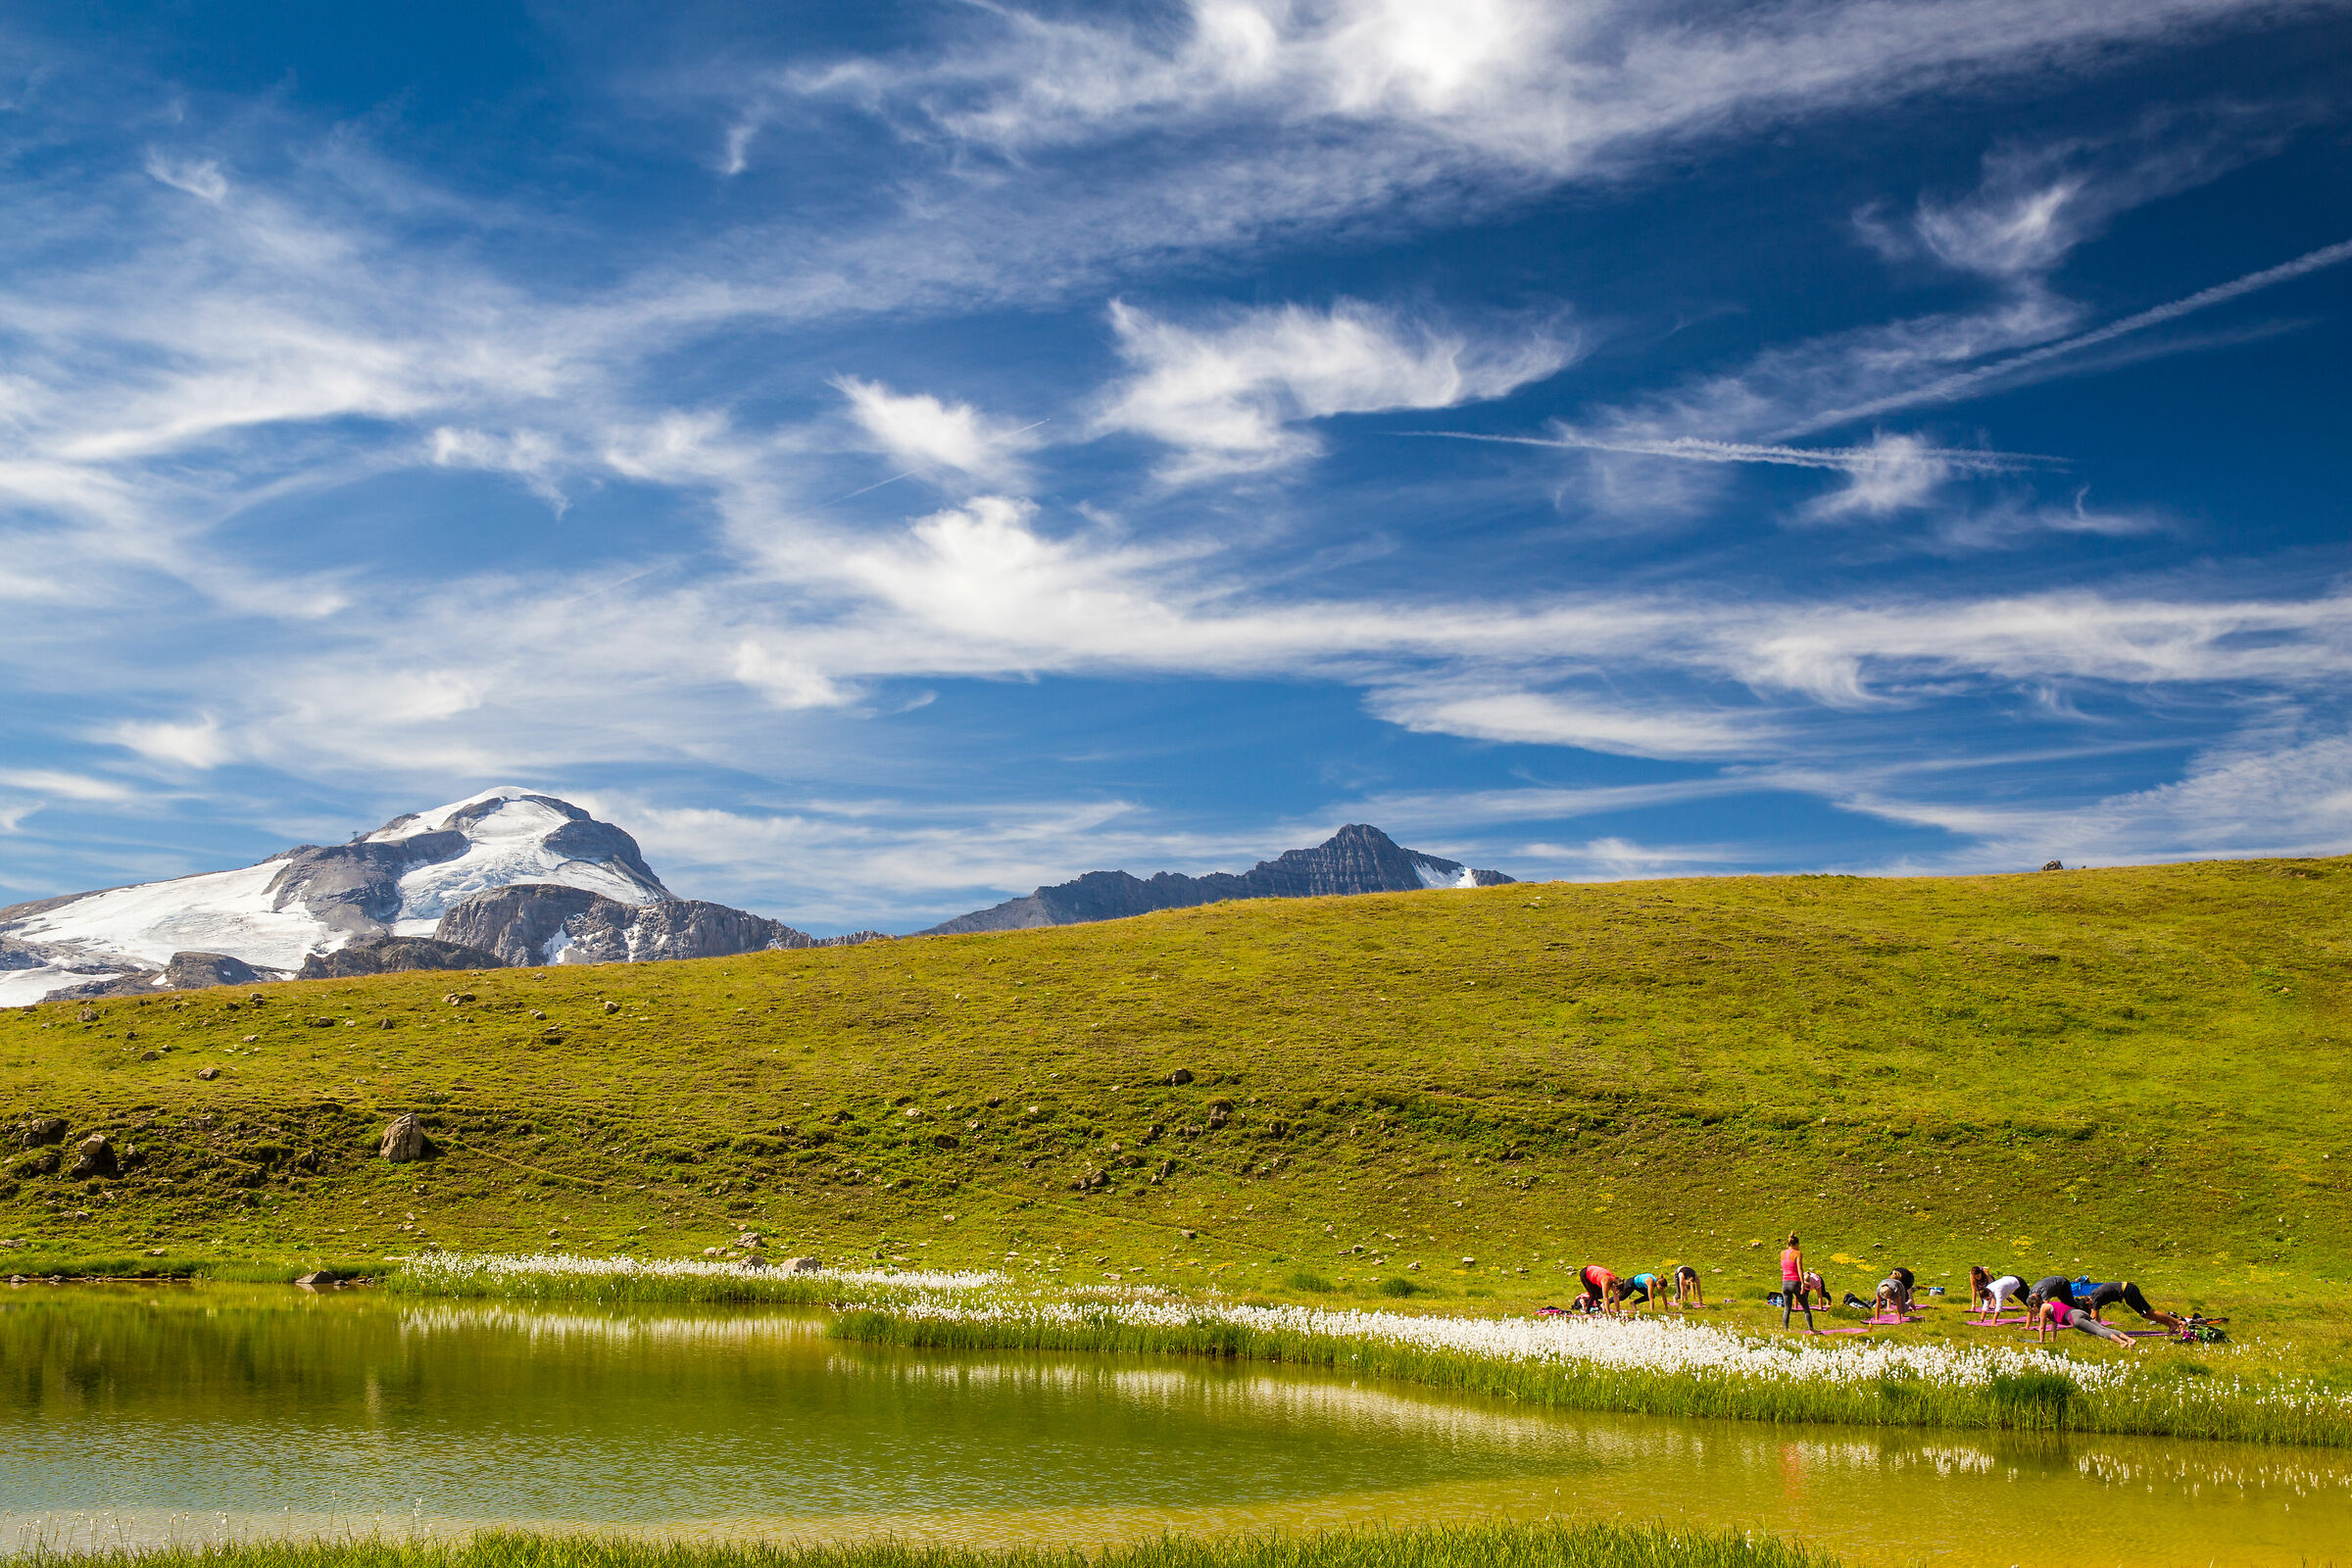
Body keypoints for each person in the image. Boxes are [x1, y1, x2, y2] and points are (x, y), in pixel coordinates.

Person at [2076, 1278, 2184, 1331]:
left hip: (2128, 1290)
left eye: (2089, 1307)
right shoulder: (2094, 1296)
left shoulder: (2095, 1298)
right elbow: (2097, 1318)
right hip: (2126, 1293)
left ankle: (2178, 1322)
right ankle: (2171, 1325)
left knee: (2149, 1312)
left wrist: (2094, 1331)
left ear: (2088, 1302)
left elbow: (2094, 1317)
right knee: (2145, 1315)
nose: (2091, 1308)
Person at [2033, 1294, 2136, 1347]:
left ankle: (2122, 1343)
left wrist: (2041, 1342)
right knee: (2102, 1328)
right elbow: (2054, 1325)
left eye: (2032, 1308)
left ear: (2035, 1305)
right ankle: (2130, 1340)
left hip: (2074, 1318)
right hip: (2079, 1312)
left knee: (2098, 1331)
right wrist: (2053, 1340)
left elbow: (2042, 1327)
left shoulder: (2043, 1308)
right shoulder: (2051, 1305)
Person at [1779, 1234, 1815, 1332]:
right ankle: (1811, 1329)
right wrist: (1803, 1283)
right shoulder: (1797, 1253)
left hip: (1785, 1282)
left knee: (1787, 1308)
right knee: (1805, 1307)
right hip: (1795, 1282)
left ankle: (1786, 1329)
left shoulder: (1782, 1253)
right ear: (1796, 1244)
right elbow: (1799, 1268)